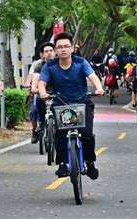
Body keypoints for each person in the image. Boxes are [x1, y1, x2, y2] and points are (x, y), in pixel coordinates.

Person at [38, 32, 105, 180]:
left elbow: (92, 76)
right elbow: (42, 83)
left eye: (66, 46)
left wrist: (99, 88)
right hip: (61, 103)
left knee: (87, 134)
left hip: (82, 102)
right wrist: (42, 93)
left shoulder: (81, 63)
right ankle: (62, 163)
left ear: (72, 48)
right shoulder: (50, 66)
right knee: (61, 134)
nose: (63, 49)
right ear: (55, 50)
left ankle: (90, 163)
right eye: (60, 47)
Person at [30, 42, 56, 143]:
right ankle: (41, 123)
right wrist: (36, 90)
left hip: (57, 93)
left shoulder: (60, 64)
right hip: (42, 93)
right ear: (42, 54)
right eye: (46, 51)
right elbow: (35, 80)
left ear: (55, 52)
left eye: (51, 51)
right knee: (35, 108)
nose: (49, 53)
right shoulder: (39, 66)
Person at [25, 53, 45, 143]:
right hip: (38, 92)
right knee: (33, 111)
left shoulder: (57, 64)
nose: (47, 54)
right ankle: (34, 131)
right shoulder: (37, 65)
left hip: (53, 92)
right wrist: (29, 85)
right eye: (45, 51)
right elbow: (32, 76)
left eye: (50, 51)